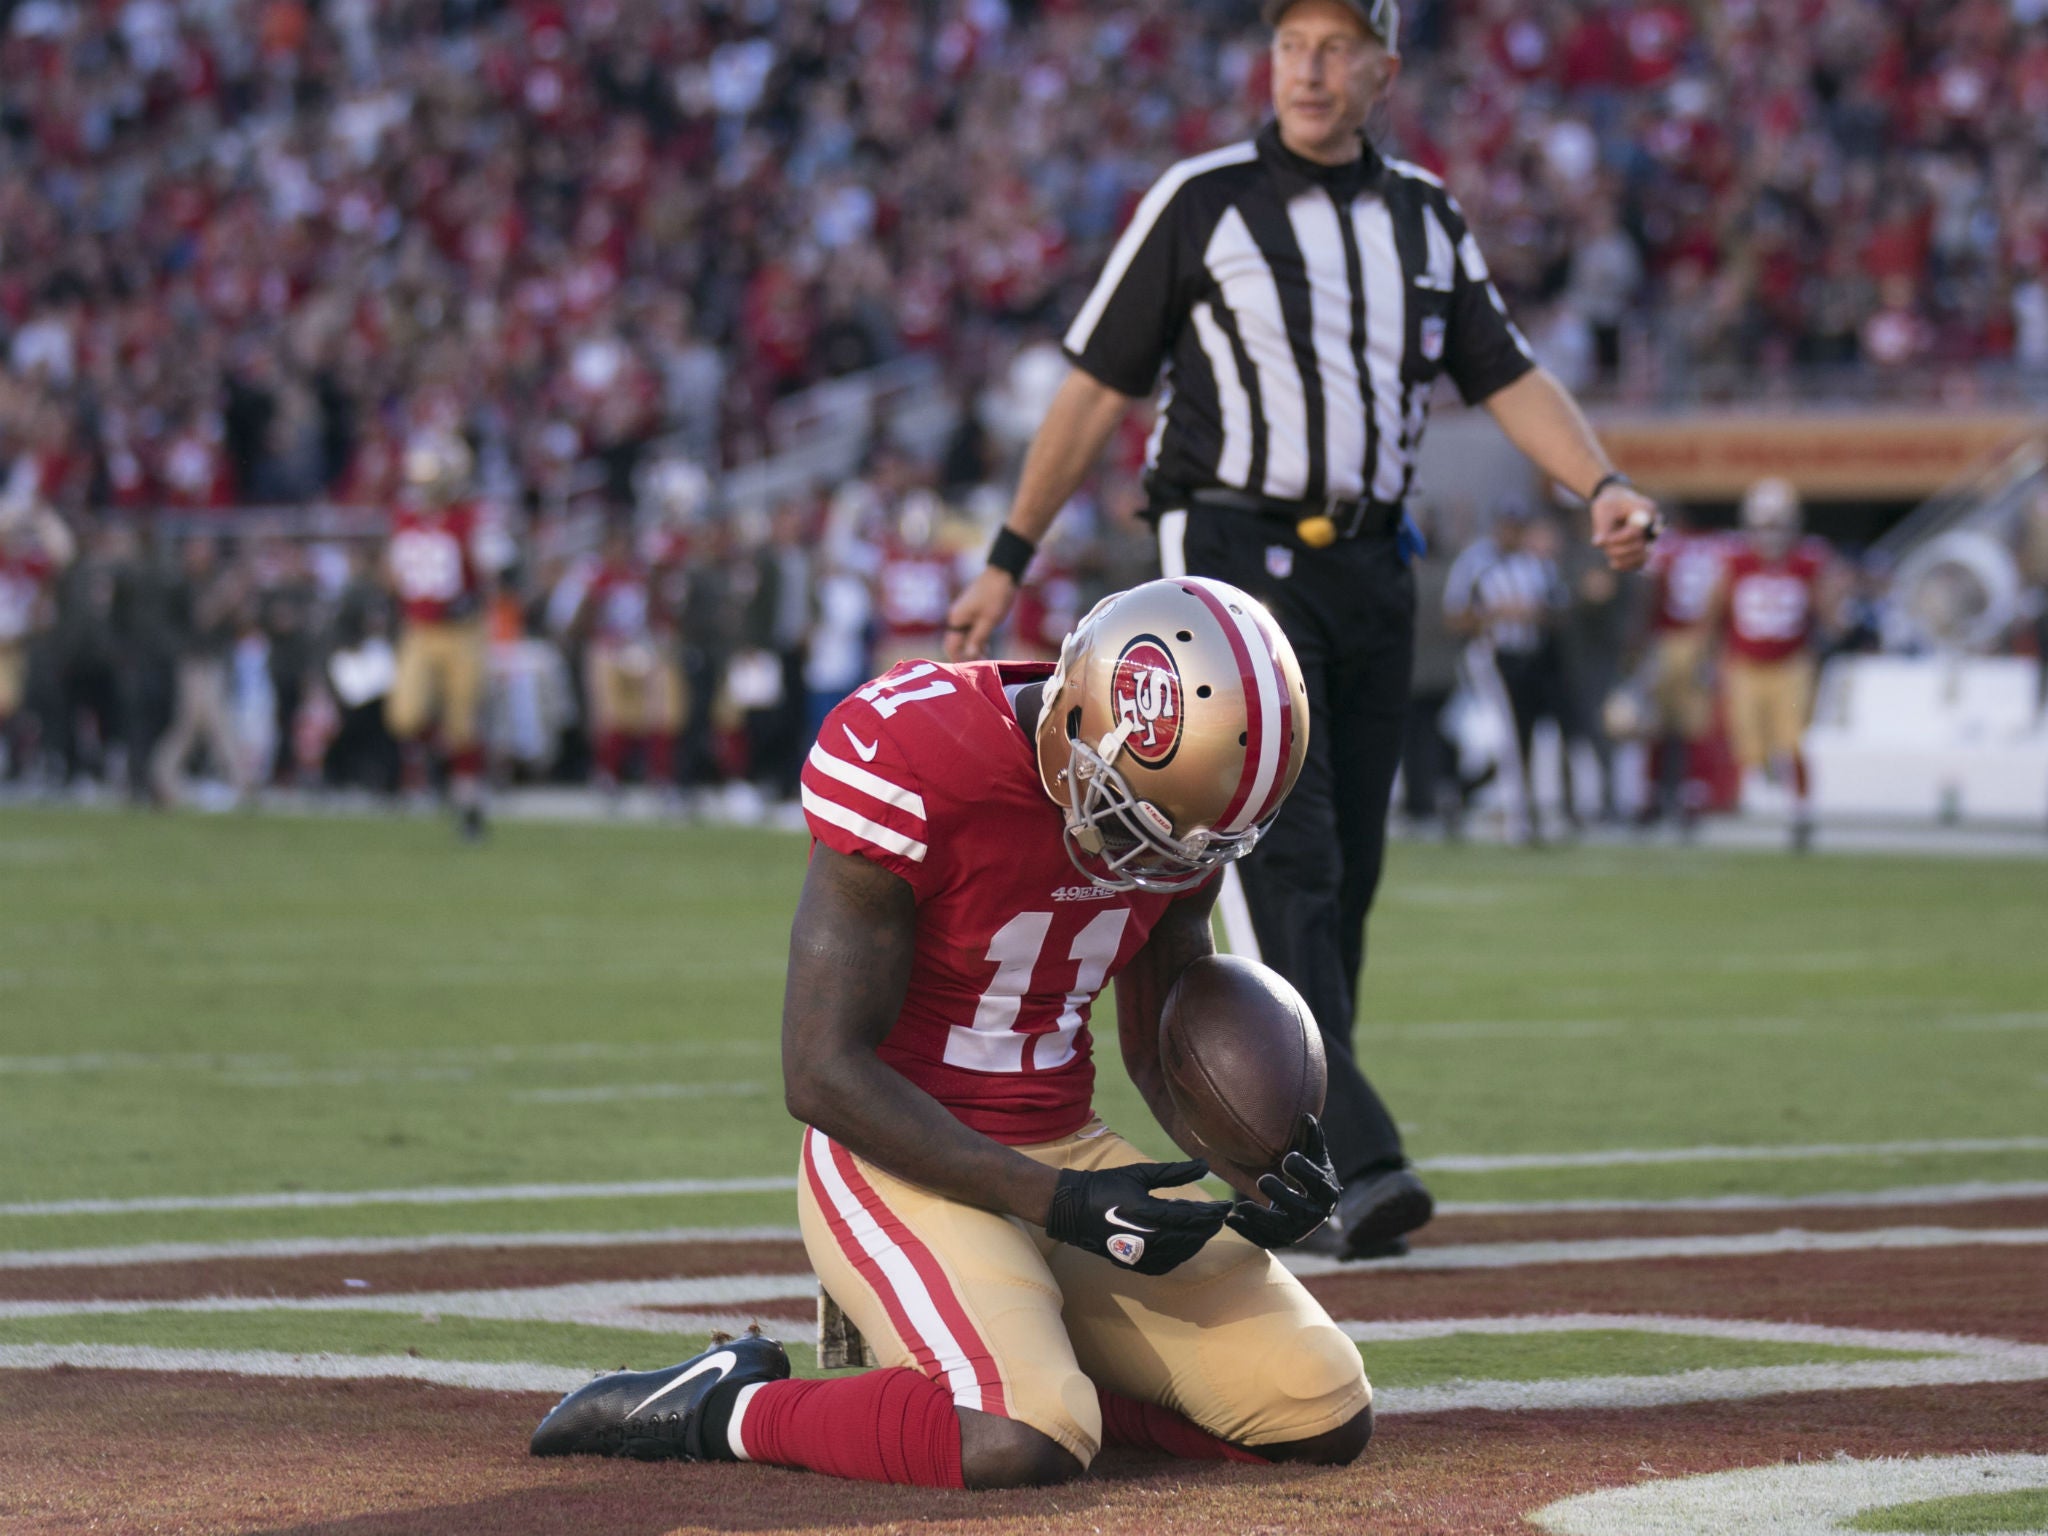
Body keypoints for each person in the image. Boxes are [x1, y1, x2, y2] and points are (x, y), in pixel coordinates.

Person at [943, 0, 1657, 1259]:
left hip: (1376, 564)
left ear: (1382, 69)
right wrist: (1010, 552)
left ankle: (1295, 1127)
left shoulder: (1425, 218)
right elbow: (1095, 384)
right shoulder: (1202, 201)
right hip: (1229, 556)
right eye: (1289, 44)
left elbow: (1505, 372)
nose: (1308, 69)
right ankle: (1337, 1157)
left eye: (1335, 47)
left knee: (1352, 875)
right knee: (1289, 862)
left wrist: (1594, 482)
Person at [531, 578, 1375, 1488]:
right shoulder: (917, 755)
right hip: (898, 1157)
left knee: (1317, 1407)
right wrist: (1052, 1200)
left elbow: (1159, 1036)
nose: (1155, 862)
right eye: (1140, 825)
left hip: (1066, 1149)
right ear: (1079, 720)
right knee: (1020, 1437)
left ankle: (1046, 1374)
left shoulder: (1182, 803)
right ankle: (718, 1405)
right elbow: (818, 1072)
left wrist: (1262, 1171)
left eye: (1192, 843)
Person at [1710, 477, 1836, 852]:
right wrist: (1708, 654)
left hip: (1792, 664)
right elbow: (1714, 609)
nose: (1772, 533)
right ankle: (1769, 774)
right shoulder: (1735, 561)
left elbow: (1827, 609)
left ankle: (1801, 812)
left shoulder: (1808, 561)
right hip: (1744, 663)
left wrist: (1833, 619)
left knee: (1793, 740)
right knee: (1748, 744)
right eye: (1765, 524)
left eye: (1778, 523)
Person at [384, 430, 498, 838]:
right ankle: (438, 763)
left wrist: (479, 588)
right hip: (420, 629)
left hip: (463, 631)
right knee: (405, 715)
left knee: (464, 722)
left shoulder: (470, 518)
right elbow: (396, 574)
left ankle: (470, 806)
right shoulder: (405, 517)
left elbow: (494, 571)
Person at [1445, 500, 1574, 844]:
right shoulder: (1476, 562)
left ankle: (1464, 796)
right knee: (1507, 739)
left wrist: (1533, 613)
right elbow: (1455, 617)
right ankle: (1519, 820)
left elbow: (1559, 612)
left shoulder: (1537, 566)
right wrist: (1494, 614)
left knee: (1526, 737)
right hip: (1492, 657)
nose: (1513, 534)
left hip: (1531, 660)